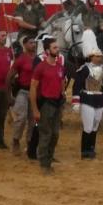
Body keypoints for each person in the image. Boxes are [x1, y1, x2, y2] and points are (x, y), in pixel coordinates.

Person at [29, 36, 67, 174]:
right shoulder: (41, 67)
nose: (57, 50)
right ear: (47, 51)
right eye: (54, 47)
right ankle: (44, 164)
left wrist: (62, 97)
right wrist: (35, 109)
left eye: (57, 47)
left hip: (57, 104)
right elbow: (33, 88)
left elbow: (62, 84)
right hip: (46, 104)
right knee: (46, 134)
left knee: (55, 134)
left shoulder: (60, 67)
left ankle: (49, 160)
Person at [6, 34, 38, 155]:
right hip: (23, 91)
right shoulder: (21, 59)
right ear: (24, 45)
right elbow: (9, 77)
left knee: (32, 119)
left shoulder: (38, 60)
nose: (33, 44)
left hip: (34, 92)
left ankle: (30, 142)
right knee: (21, 117)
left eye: (34, 42)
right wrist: (9, 96)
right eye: (30, 42)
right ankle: (15, 140)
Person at [74, 49, 103, 159]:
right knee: (88, 126)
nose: (99, 58)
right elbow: (77, 85)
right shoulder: (84, 69)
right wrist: (76, 101)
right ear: (91, 57)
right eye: (96, 56)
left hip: (99, 99)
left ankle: (91, 148)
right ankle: (84, 150)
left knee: (95, 124)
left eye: (100, 56)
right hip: (87, 99)